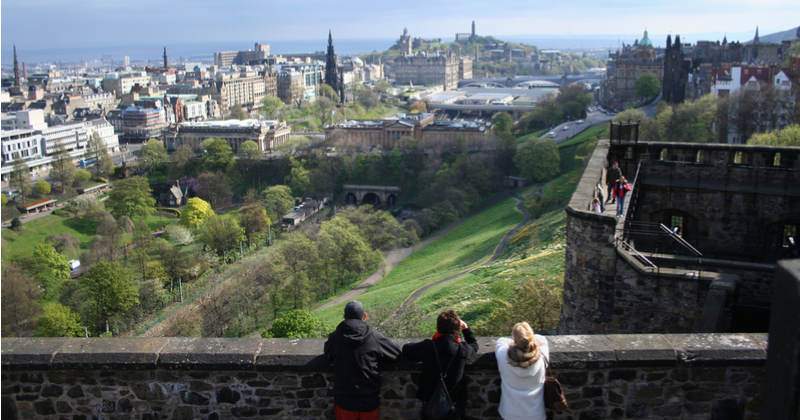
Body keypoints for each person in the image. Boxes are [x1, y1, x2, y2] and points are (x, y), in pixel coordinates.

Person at [324, 301, 401, 420]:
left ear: (344, 317)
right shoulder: (374, 337)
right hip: (369, 400)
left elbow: (328, 353)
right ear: (364, 316)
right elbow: (396, 354)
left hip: (344, 400)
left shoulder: (335, 337)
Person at [402, 310, 478, 419]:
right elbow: (474, 346)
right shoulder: (462, 350)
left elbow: (406, 350)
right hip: (454, 404)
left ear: (438, 328)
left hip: (430, 402)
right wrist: (466, 328)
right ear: (457, 329)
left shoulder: (429, 346)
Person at [495, 322, 550, 420]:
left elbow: (501, 341)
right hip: (536, 414)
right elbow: (542, 339)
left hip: (509, 413)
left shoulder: (503, 355)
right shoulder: (542, 356)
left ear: (515, 340)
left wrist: (515, 342)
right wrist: (528, 338)